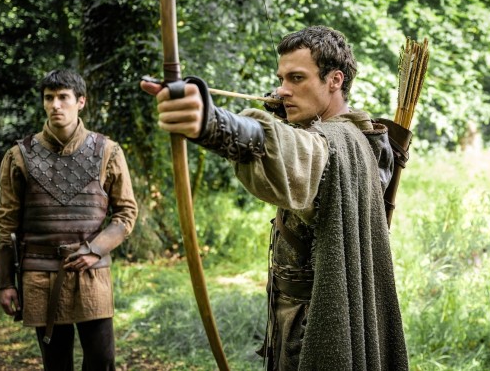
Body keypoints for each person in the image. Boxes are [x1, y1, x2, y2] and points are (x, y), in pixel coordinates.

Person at [141, 25, 408, 370]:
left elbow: (296, 151)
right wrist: (285, 109)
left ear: (335, 80)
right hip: (291, 314)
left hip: (314, 323)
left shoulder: (340, 143)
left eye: (297, 78)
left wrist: (212, 123)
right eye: (281, 79)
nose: (283, 90)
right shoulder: (356, 133)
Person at [0, 69, 138, 371]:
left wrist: (95, 249)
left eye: (63, 97)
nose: (55, 105)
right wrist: (5, 282)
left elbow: (126, 213)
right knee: (56, 364)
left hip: (91, 271)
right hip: (39, 273)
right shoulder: (19, 156)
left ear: (81, 101)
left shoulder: (107, 151)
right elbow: (7, 224)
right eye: (49, 98)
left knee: (102, 361)